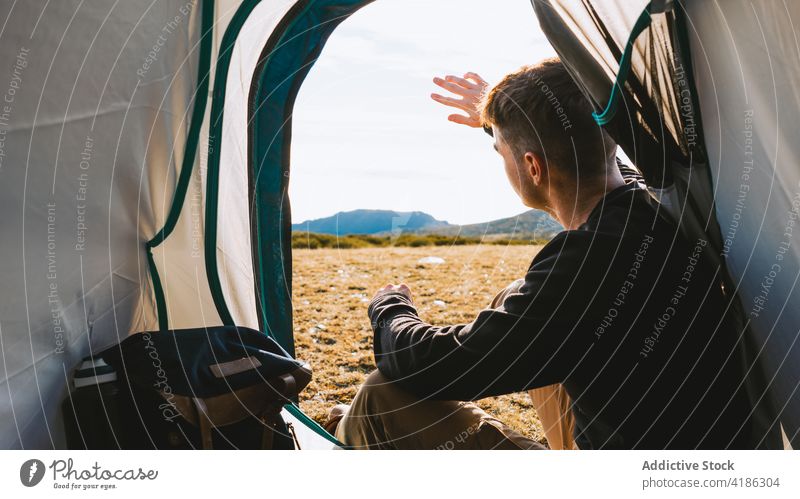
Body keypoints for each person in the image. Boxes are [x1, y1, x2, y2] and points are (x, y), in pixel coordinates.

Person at [328, 58, 757, 449]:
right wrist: (502, 117)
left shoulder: (590, 262)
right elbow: (571, 139)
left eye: (501, 153)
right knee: (514, 297)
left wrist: (390, 307)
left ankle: (355, 430)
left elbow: (436, 365)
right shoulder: (653, 204)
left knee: (380, 395)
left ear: (532, 167)